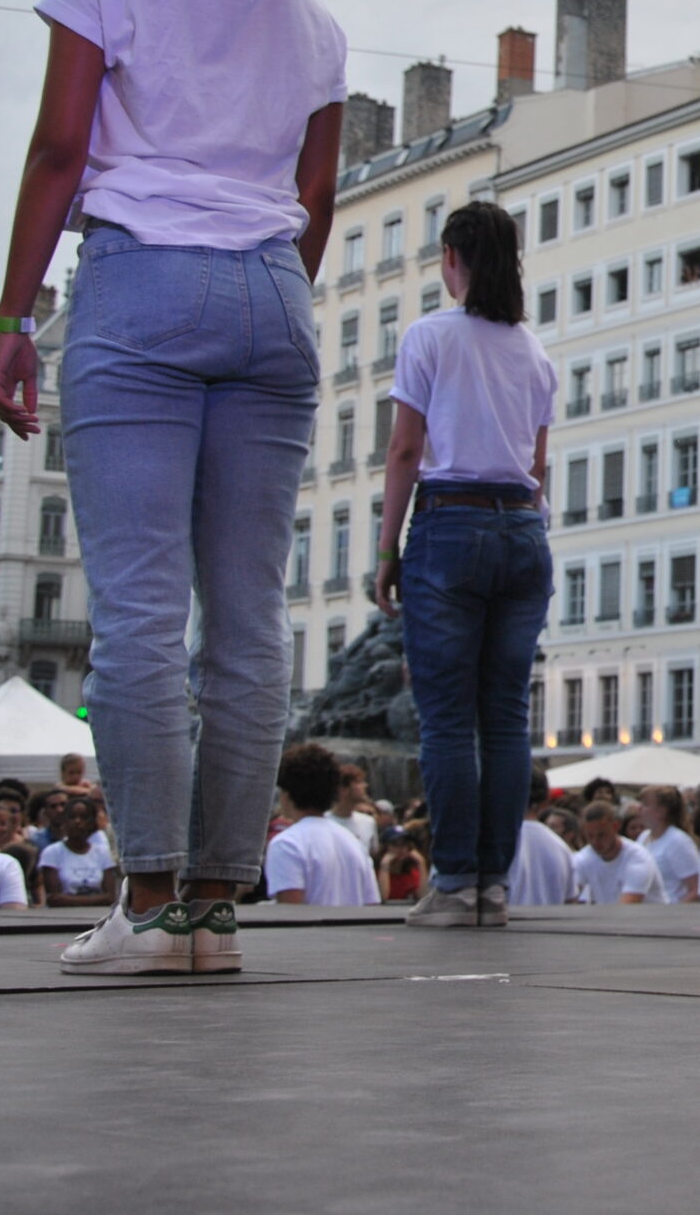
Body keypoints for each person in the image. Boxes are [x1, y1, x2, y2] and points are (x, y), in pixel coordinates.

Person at [0, 0, 343, 977]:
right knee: (248, 621)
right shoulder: (315, 22)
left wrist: (11, 316)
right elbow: (317, 199)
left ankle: (142, 902)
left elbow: (58, 148)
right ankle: (213, 913)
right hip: (271, 292)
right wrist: (267, 284)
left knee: (138, 609)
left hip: (142, 281)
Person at [372, 199, 557, 932]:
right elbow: (540, 465)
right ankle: (492, 884)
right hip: (522, 529)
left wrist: (387, 549)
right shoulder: (534, 352)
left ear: (453, 259)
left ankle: (451, 882)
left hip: (450, 524)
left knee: (447, 719)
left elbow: (405, 452)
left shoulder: (429, 337)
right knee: (506, 717)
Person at [264, 744, 380, 909]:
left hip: (311, 935)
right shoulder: (354, 843)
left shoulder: (286, 844)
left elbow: (289, 915)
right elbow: (371, 905)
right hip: (354, 934)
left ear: (287, 793)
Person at [505, 768, 573, 908]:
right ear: (546, 800)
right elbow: (571, 901)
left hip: (509, 926)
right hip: (550, 927)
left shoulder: (498, 843)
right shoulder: (562, 848)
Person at [569, 802, 660, 904]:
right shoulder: (583, 858)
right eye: (590, 836)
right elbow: (570, 896)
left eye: (601, 835)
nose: (595, 842)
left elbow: (629, 905)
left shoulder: (638, 857)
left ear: (615, 827)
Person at [37, 797, 118, 909]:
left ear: (92, 823)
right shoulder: (51, 853)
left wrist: (68, 899)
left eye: (84, 817)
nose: (77, 821)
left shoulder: (103, 853)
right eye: (72, 817)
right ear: (64, 821)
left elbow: (110, 897)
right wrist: (97, 899)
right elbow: (54, 898)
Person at [636, 784, 700, 904]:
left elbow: (696, 889)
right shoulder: (643, 837)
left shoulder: (678, 841)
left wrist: (674, 913)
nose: (639, 809)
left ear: (661, 811)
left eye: (645, 805)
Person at [332, 764, 380, 856]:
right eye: (359, 782)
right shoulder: (324, 821)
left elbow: (372, 854)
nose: (365, 785)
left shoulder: (368, 822)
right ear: (343, 789)